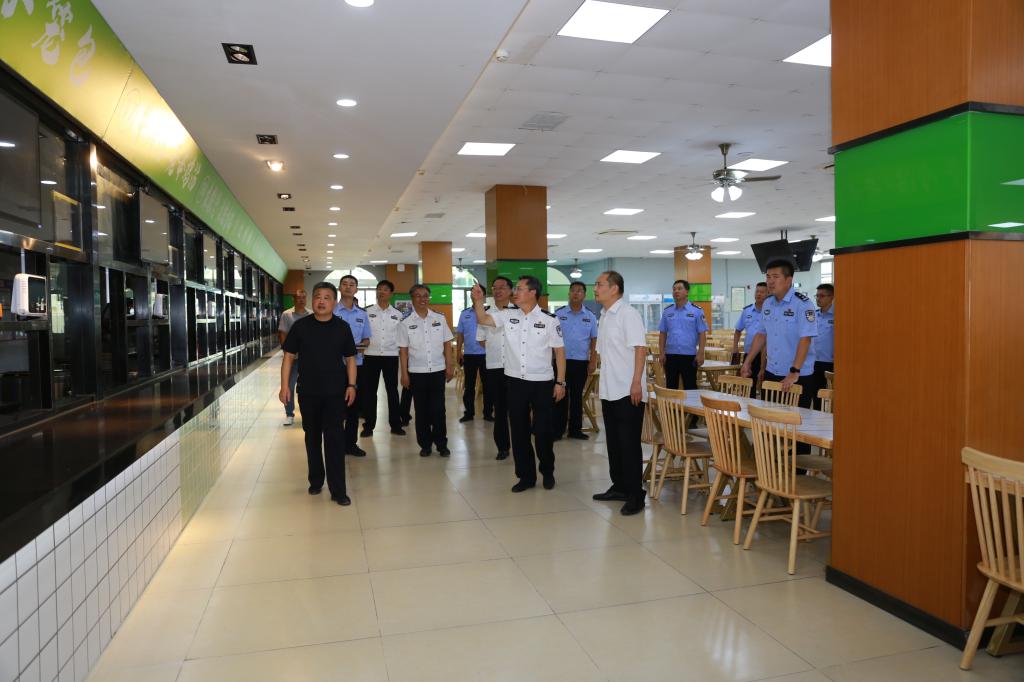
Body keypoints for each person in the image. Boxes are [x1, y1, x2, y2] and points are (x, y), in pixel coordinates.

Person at [472, 276, 566, 492]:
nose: (515, 292)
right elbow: (483, 319)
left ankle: (547, 471)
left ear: (532, 292)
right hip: (515, 382)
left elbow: (559, 352)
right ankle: (526, 476)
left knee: (542, 431)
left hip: (542, 383)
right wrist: (478, 301)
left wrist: (560, 382)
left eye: (520, 288)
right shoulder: (507, 315)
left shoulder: (549, 320)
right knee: (519, 431)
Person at [279, 281, 357, 506]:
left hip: (336, 393)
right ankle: (315, 480)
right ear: (312, 301)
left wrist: (352, 385)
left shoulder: (342, 327)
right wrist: (285, 386)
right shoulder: (301, 327)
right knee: (312, 437)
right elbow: (288, 357)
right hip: (308, 392)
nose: (321, 301)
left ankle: (338, 490)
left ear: (334, 302)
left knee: (335, 439)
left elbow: (351, 359)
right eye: (317, 297)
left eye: (326, 297)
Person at [591, 271, 649, 515]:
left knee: (628, 444)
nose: (595, 288)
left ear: (614, 288)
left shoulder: (628, 314)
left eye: (599, 284)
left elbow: (640, 349)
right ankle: (620, 487)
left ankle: (636, 494)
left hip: (628, 391)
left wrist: (636, 382)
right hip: (609, 390)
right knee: (613, 443)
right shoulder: (604, 316)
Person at [741, 259, 817, 408]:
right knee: (768, 418)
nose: (770, 281)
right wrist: (748, 361)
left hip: (797, 375)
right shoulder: (768, 303)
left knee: (795, 419)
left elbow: (806, 339)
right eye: (768, 277)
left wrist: (794, 371)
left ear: (788, 280)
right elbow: (761, 334)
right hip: (772, 371)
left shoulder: (803, 304)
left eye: (776, 277)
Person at [397, 284, 454, 457]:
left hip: (437, 370)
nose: (422, 299)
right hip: (417, 372)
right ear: (412, 299)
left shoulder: (439, 318)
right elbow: (403, 350)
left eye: (425, 295)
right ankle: (425, 444)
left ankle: (441, 444)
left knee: (438, 410)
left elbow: (447, 343)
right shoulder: (405, 323)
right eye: (418, 296)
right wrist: (404, 374)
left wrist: (449, 366)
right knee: (421, 411)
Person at [476, 276, 516, 460]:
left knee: (517, 409)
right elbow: (481, 340)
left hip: (515, 367)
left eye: (502, 287)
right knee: (499, 409)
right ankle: (502, 447)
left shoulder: (519, 312)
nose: (498, 290)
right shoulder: (484, 314)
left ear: (511, 290)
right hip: (494, 367)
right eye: (495, 287)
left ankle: (520, 444)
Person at [553, 282, 598, 440]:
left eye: (579, 291)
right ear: (569, 294)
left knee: (577, 396)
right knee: (560, 395)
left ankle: (575, 430)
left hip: (580, 362)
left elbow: (594, 340)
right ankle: (558, 430)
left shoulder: (590, 316)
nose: (575, 293)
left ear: (584, 295)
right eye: (572, 291)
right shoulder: (558, 314)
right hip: (561, 362)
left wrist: (593, 361)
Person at [334, 274, 372, 457]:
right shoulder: (332, 311)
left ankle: (350, 444)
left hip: (357, 366)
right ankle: (336, 444)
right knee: (336, 407)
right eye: (345, 284)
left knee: (353, 407)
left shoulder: (362, 314)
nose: (348, 287)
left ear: (356, 289)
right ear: (340, 288)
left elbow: (366, 340)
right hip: (334, 367)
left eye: (352, 284)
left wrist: (359, 346)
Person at [361, 279, 406, 436]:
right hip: (370, 356)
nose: (381, 292)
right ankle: (368, 426)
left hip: (390, 356)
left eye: (385, 289)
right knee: (369, 392)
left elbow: (401, 337)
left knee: (392, 391)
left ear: (391, 293)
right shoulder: (366, 312)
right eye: (379, 289)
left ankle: (396, 425)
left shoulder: (398, 315)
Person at [658, 280, 707, 390]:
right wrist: (661, 353)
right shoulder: (667, 311)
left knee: (690, 387)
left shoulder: (697, 311)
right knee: (671, 387)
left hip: (689, 356)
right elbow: (663, 333)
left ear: (687, 292)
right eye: (674, 289)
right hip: (670, 355)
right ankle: (672, 403)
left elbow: (702, 333)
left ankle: (691, 403)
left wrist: (701, 353)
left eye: (679, 289)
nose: (676, 291)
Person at [278, 287, 311, 425]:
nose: (301, 300)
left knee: (309, 386)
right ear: (294, 299)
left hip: (308, 358)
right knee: (289, 386)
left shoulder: (311, 314)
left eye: (303, 297)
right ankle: (289, 413)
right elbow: (282, 334)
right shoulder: (287, 315)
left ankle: (310, 413)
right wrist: (286, 352)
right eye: (299, 298)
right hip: (292, 358)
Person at [455, 301, 491, 422]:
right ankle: (469, 413)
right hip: (469, 354)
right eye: (472, 294)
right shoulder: (464, 314)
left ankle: (488, 413)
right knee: (469, 386)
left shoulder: (489, 313)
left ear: (483, 297)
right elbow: (460, 334)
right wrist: (458, 351)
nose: (474, 297)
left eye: (478, 293)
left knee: (488, 386)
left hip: (487, 354)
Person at [731, 282, 768, 397]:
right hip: (749, 354)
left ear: (768, 294)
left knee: (765, 385)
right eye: (757, 291)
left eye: (762, 292)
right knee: (748, 385)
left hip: (766, 355)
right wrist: (735, 347)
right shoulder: (747, 311)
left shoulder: (770, 311)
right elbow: (738, 330)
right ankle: (749, 405)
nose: (759, 294)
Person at [811, 283, 834, 408]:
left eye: (822, 296)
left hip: (831, 362)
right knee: (816, 395)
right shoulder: (813, 315)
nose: (818, 299)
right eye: (817, 296)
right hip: (814, 361)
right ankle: (817, 416)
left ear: (832, 297)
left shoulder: (838, 315)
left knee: (833, 396)